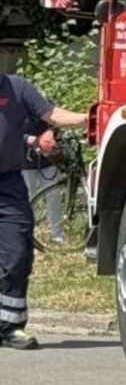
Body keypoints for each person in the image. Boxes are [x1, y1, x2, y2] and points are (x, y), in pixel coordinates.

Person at [1, 74, 91, 350]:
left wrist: (90, 117)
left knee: (18, 253)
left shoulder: (17, 88)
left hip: (8, 184)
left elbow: (52, 114)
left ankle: (10, 327)